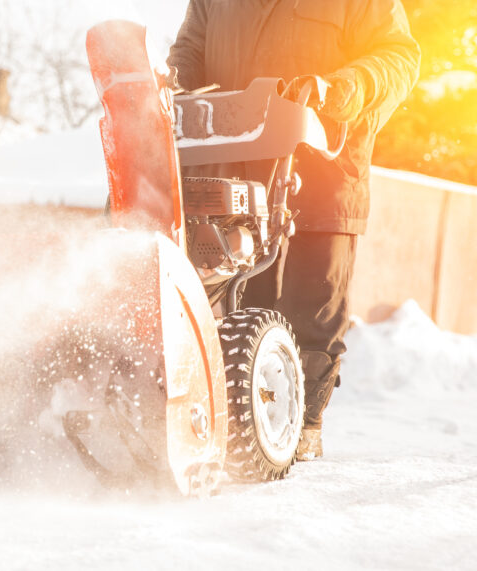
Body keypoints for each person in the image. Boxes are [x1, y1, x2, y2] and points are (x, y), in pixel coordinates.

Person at [167, 0, 421, 459]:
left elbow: (398, 57)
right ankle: (228, 422)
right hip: (235, 176)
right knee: (234, 301)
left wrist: (342, 87)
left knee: (312, 309)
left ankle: (300, 428)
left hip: (324, 172)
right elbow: (190, 49)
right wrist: (176, 81)